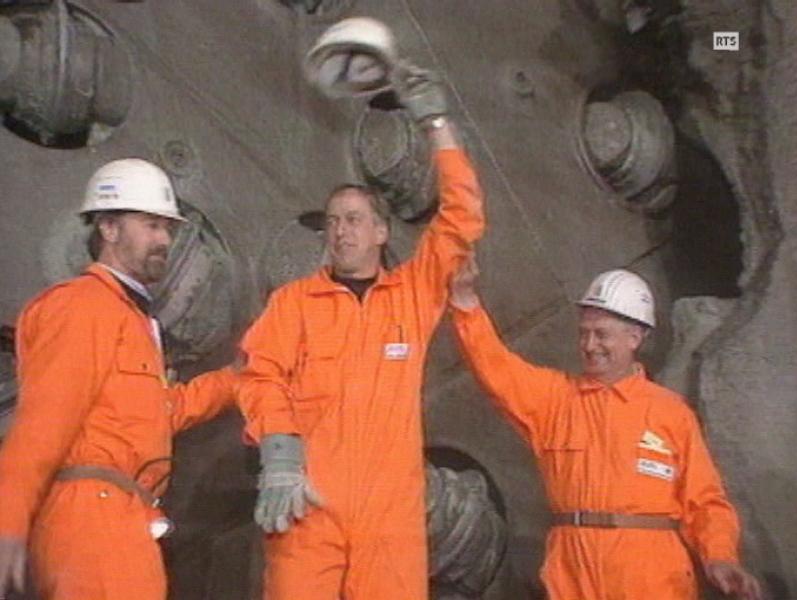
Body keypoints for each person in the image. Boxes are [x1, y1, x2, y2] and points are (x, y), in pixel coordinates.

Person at [237, 68, 485, 600]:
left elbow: (462, 216)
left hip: (390, 524)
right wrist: (279, 451)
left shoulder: (413, 297)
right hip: (308, 508)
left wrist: (437, 124)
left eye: (353, 220)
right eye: (332, 222)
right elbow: (260, 377)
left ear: (380, 231)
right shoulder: (294, 304)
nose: (341, 231)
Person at [448, 258, 763, 600]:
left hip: (651, 575)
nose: (589, 345)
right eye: (584, 333)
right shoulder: (554, 400)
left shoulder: (670, 413)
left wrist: (720, 556)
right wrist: (466, 304)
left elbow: (704, 501)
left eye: (602, 334)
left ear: (635, 337)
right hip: (573, 572)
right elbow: (495, 367)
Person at [0, 158, 239, 600]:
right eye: (150, 225)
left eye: (167, 229)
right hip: (92, 517)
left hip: (124, 516)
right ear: (108, 228)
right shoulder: (83, 307)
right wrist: (8, 525)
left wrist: (241, 378)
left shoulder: (129, 317)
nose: (164, 240)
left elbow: (159, 413)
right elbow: (41, 424)